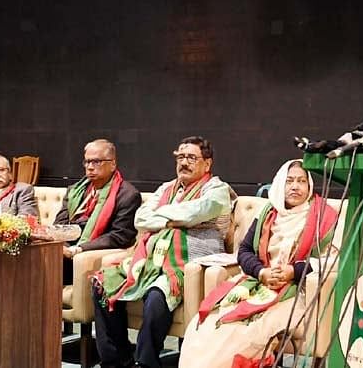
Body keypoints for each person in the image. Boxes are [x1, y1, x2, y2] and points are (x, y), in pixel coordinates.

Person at [179, 159, 339, 368]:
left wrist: (294, 270)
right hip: (257, 283)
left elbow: (331, 261)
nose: (295, 186)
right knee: (206, 324)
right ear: (280, 184)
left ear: (309, 186)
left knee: (245, 333)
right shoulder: (268, 214)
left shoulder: (323, 216)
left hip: (294, 291)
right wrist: (261, 272)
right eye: (289, 181)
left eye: (301, 181)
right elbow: (244, 251)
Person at [92, 136, 234, 368]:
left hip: (187, 261)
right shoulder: (167, 188)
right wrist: (173, 220)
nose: (184, 162)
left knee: (157, 296)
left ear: (207, 164)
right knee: (101, 284)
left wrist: (162, 217)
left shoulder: (217, 189)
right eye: (180, 157)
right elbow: (141, 218)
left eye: (191, 157)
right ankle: (117, 359)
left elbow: (195, 212)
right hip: (150, 258)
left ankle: (146, 362)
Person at [54, 139, 141, 284]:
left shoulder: (127, 195)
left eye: (96, 162)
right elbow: (59, 224)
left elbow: (119, 237)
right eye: (87, 162)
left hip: (89, 252)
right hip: (66, 249)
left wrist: (77, 249)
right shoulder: (75, 190)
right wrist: (61, 246)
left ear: (113, 164)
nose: (90, 167)